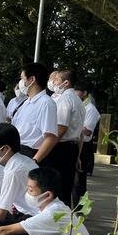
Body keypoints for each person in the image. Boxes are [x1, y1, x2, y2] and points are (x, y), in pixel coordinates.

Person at [45, 69, 85, 205]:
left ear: (66, 83)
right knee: (66, 187)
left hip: (61, 148)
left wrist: (48, 146)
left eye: (56, 80)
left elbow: (61, 128)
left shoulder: (65, 99)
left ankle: (58, 216)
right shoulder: (78, 100)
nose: (53, 83)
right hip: (71, 148)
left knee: (57, 189)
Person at [11, 63, 58, 164]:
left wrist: (34, 161)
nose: (20, 83)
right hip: (18, 151)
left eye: (22, 78)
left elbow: (50, 137)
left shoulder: (46, 103)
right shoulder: (25, 102)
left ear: (32, 80)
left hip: (30, 154)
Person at [72, 80, 100, 205]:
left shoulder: (91, 110)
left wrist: (72, 125)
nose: (74, 93)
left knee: (79, 181)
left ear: (84, 93)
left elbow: (87, 131)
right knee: (74, 179)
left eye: (77, 91)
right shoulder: (78, 106)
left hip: (84, 147)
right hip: (76, 144)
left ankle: (79, 208)